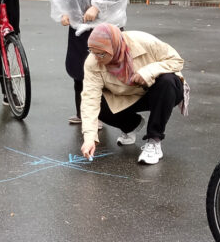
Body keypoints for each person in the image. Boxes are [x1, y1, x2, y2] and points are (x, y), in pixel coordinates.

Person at [49, 0, 129, 124]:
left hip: (105, 29)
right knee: (79, 71)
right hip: (80, 28)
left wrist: (98, 7)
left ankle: (109, 116)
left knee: (106, 73)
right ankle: (84, 114)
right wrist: (63, 13)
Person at [79, 24, 187, 165]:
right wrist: (89, 138)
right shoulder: (92, 62)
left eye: (101, 53)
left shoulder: (143, 41)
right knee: (97, 105)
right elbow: (89, 100)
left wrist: (147, 72)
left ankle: (154, 141)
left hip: (158, 90)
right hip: (125, 96)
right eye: (92, 51)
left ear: (114, 47)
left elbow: (176, 60)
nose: (96, 58)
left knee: (168, 81)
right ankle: (131, 125)